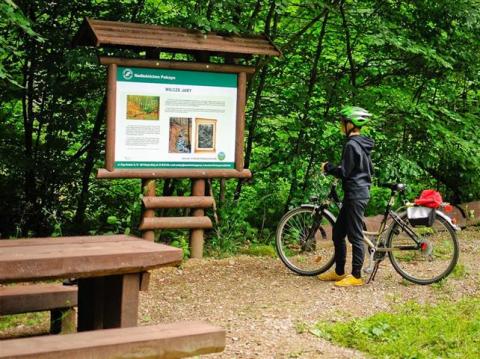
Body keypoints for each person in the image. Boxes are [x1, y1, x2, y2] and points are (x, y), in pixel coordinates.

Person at [319, 106, 374, 287]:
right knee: (338, 233)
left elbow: (345, 171)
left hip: (356, 194)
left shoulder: (352, 145)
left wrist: (328, 167)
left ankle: (356, 276)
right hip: (355, 192)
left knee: (355, 235)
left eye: (342, 122)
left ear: (351, 124)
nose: (340, 125)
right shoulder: (361, 144)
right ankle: (339, 271)